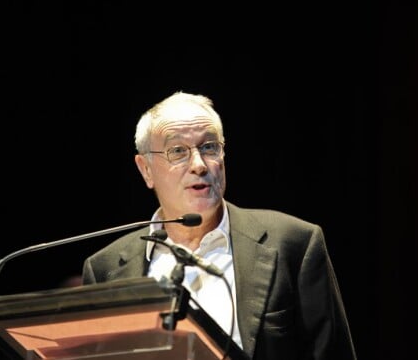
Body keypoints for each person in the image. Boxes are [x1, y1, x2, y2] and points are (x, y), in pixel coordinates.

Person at [82, 91, 357, 360]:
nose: (199, 165)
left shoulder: (292, 244)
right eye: (177, 151)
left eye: (209, 147)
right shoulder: (105, 269)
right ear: (146, 170)